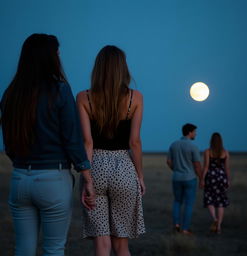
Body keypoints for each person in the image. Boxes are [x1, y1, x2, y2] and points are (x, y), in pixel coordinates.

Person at [0, 33, 95, 256]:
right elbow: (72, 140)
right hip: (53, 179)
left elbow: (9, 144)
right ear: (49, 57)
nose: (60, 56)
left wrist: (23, 164)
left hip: (20, 178)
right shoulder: (59, 90)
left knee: (23, 249)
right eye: (57, 52)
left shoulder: (10, 93)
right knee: (53, 249)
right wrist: (87, 178)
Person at [77, 45, 145, 256]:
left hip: (95, 166)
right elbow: (134, 142)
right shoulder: (135, 98)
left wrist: (87, 178)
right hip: (124, 168)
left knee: (102, 244)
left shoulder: (83, 98)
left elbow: (87, 143)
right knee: (121, 246)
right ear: (122, 68)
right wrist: (140, 176)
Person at [167, 123, 202, 235]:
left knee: (177, 201)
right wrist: (201, 179)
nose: (196, 134)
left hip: (176, 177)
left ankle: (176, 225)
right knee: (189, 204)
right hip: (190, 178)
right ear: (190, 132)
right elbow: (197, 165)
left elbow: (168, 161)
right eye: (195, 131)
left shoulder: (173, 144)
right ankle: (185, 229)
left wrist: (176, 169)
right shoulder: (193, 146)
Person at [200, 132, 230, 234]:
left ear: (211, 141)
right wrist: (228, 180)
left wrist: (202, 179)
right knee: (221, 202)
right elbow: (226, 168)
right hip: (222, 177)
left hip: (211, 177)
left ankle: (214, 219)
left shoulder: (207, 152)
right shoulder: (225, 152)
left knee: (209, 199)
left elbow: (206, 166)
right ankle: (219, 226)